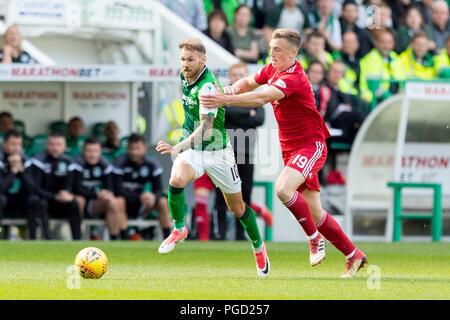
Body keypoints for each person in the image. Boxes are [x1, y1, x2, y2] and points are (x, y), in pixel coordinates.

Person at [200, 28, 367, 278]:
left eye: (277, 50)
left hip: (311, 145)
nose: (271, 53)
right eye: (270, 48)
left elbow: (261, 98)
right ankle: (354, 256)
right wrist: (229, 90)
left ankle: (313, 238)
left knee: (282, 189)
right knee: (316, 212)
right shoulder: (273, 68)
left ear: (292, 53)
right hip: (291, 148)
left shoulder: (294, 77)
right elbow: (249, 82)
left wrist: (224, 101)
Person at [155, 39, 270, 278]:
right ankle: (179, 229)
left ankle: (259, 248)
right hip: (194, 150)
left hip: (217, 151)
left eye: (191, 60)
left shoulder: (208, 87)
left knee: (237, 208)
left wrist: (178, 147)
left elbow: (206, 130)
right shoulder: (184, 77)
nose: (185, 65)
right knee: (176, 179)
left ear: (203, 60)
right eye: (183, 60)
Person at [214, 62, 271, 241]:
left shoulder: (254, 97)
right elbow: (223, 115)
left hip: (246, 153)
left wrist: (235, 111)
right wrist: (247, 113)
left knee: (245, 194)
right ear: (230, 78)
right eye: (235, 75)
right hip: (224, 152)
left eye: (241, 74)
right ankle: (220, 233)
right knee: (221, 194)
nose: (238, 78)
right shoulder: (222, 96)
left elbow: (260, 119)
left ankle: (241, 234)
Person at [114, 133, 172, 241]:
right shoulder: (120, 162)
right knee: (118, 201)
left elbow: (158, 189)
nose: (135, 152)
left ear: (144, 148)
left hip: (144, 204)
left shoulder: (152, 163)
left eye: (137, 148)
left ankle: (168, 239)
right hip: (126, 203)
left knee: (163, 201)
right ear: (127, 149)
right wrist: (139, 197)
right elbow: (117, 190)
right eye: (132, 148)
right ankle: (125, 239)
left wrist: (153, 197)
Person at [30, 132, 81, 239]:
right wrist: (54, 196)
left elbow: (71, 184)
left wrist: (67, 193)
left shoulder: (69, 162)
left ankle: (77, 239)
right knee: (40, 202)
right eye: (52, 144)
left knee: (74, 203)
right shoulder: (38, 160)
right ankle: (47, 238)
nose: (55, 148)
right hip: (45, 198)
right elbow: (35, 188)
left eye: (58, 145)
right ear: (47, 145)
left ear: (64, 146)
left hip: (61, 200)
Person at [0, 129, 49, 239]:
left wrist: (21, 171)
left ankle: (33, 238)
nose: (17, 148)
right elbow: (1, 189)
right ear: (5, 143)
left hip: (17, 200)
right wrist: (12, 171)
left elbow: (32, 188)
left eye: (19, 144)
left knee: (34, 199)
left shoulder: (23, 159)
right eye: (13, 144)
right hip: (3, 200)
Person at [73, 137, 125, 240]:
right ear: (83, 151)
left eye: (96, 151)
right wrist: (97, 194)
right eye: (89, 151)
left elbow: (110, 187)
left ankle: (115, 239)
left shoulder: (104, 164)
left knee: (112, 201)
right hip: (79, 203)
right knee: (79, 200)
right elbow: (76, 189)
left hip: (96, 204)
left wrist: (106, 195)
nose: (93, 154)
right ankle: (77, 238)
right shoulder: (77, 163)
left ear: (100, 152)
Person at [359, 29, 405, 104]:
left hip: (395, 99)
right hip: (377, 100)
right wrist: (392, 101)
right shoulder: (371, 59)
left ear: (393, 44)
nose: (386, 46)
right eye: (383, 42)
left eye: (389, 43)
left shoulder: (395, 58)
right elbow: (375, 87)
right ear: (376, 43)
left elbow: (403, 81)